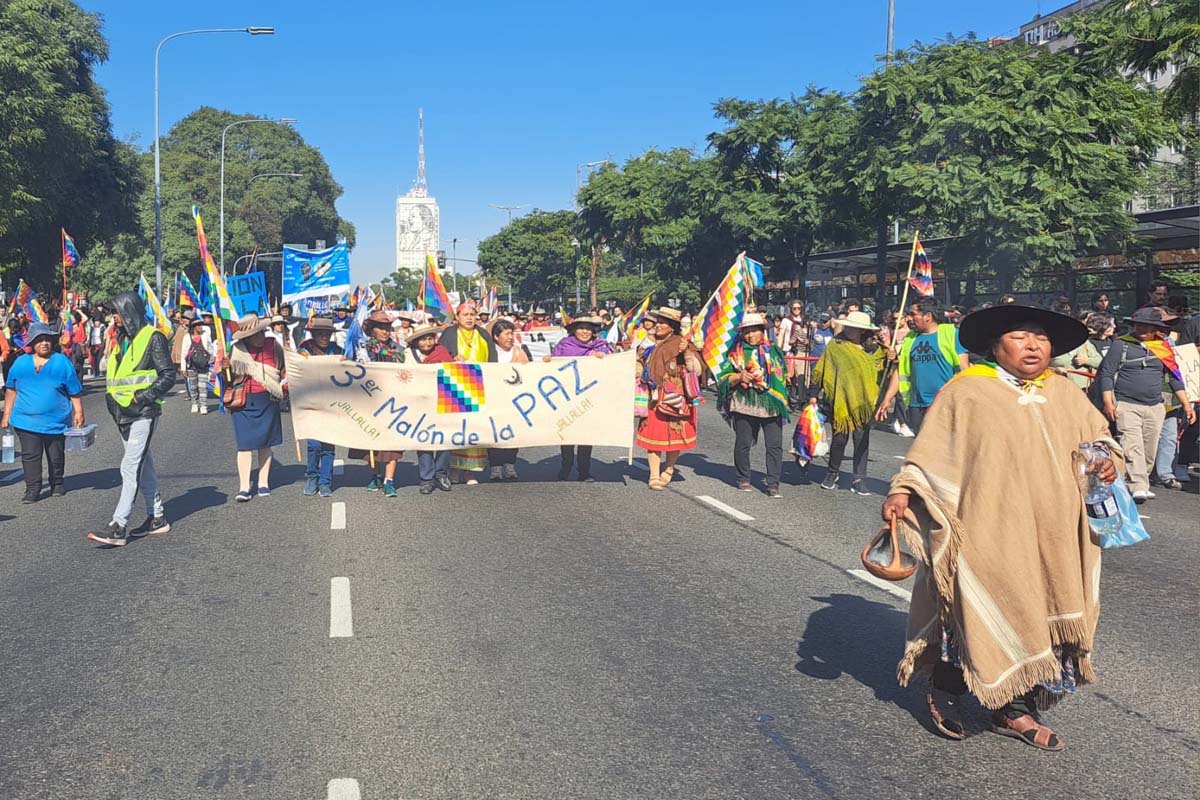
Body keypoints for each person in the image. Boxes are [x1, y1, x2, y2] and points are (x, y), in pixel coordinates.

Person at [883, 304, 1121, 752]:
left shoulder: (1065, 392)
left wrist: (1106, 461)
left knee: (1043, 604)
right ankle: (952, 685)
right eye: (1020, 337)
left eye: (1041, 339)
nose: (1033, 346)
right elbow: (931, 453)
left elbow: (1100, 440)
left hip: (1055, 532)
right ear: (995, 346)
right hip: (988, 524)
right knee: (979, 600)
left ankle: (1014, 706)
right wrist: (904, 489)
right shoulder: (968, 392)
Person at [86, 292, 175, 546]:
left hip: (143, 411)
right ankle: (157, 518)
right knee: (143, 465)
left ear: (129, 312)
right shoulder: (121, 339)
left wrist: (142, 397)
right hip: (122, 413)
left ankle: (118, 526)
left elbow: (167, 375)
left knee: (129, 466)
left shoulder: (153, 337)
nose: (113, 317)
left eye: (116, 312)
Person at [1096, 306, 1193, 502]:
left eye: (1147, 326)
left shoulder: (1163, 349)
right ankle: (1137, 484)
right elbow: (1106, 374)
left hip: (1155, 406)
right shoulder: (1120, 345)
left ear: (1155, 328)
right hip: (1126, 404)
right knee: (1132, 445)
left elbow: (1174, 378)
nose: (1141, 329)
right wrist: (1108, 402)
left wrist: (1187, 405)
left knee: (1149, 448)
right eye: (1138, 325)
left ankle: (1141, 480)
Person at [1, 322, 84, 503]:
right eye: (40, 340)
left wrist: (78, 412)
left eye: (47, 339)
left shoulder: (62, 362)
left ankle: (57, 482)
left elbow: (74, 390)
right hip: (25, 420)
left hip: (55, 420)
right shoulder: (21, 363)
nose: (44, 343)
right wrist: (6, 415)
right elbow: (11, 389)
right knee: (31, 456)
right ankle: (32, 489)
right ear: (32, 343)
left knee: (55, 455)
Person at [717, 312, 789, 497]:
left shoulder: (773, 350)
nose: (750, 335)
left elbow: (782, 374)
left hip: (771, 403)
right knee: (743, 442)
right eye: (746, 332)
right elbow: (724, 377)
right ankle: (743, 477)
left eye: (754, 331)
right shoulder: (735, 353)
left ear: (762, 331)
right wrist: (739, 377)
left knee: (774, 445)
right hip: (744, 401)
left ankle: (773, 483)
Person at [806, 311, 879, 494]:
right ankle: (832, 472)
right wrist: (813, 394)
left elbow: (883, 369)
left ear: (862, 331)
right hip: (840, 400)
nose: (849, 330)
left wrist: (891, 356)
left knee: (861, 440)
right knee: (839, 439)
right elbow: (823, 370)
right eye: (848, 326)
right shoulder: (836, 345)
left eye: (854, 328)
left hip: (863, 402)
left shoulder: (874, 350)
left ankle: (859, 478)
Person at [876, 297, 969, 434]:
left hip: (945, 404)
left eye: (913, 315)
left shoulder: (951, 334)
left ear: (928, 316)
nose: (909, 319)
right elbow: (901, 370)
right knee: (923, 449)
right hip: (917, 405)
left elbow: (964, 370)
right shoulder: (910, 338)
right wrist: (887, 398)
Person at [637, 308, 702, 490]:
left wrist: (686, 353)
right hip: (653, 396)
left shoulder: (682, 343)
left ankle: (669, 469)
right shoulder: (648, 342)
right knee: (653, 434)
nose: (658, 325)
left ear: (672, 327)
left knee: (674, 434)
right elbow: (639, 362)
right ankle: (654, 474)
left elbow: (695, 371)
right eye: (657, 321)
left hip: (676, 397)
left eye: (663, 322)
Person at [227, 314, 287, 503]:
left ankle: (263, 482)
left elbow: (285, 368)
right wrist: (222, 368)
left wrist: (285, 384)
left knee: (265, 443)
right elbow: (226, 379)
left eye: (262, 331)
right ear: (247, 337)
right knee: (244, 446)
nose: (262, 335)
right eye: (258, 333)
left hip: (267, 398)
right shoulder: (235, 350)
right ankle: (244, 487)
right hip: (243, 401)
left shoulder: (273, 345)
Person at [350, 310, 406, 497]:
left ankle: (389, 480)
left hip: (393, 401)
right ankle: (374, 474)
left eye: (387, 327)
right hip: (370, 401)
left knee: (393, 442)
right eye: (380, 328)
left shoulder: (398, 349)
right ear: (372, 330)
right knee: (371, 440)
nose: (384, 331)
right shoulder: (362, 349)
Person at [549, 316, 611, 481]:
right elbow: (553, 368)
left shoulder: (601, 346)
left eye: (588, 328)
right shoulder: (564, 345)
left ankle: (584, 470)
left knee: (586, 434)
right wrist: (548, 362)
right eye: (581, 328)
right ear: (573, 330)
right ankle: (566, 467)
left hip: (590, 397)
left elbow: (612, 367)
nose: (585, 331)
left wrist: (603, 359)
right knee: (567, 433)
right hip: (567, 396)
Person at [440, 300, 495, 484]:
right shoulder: (449, 333)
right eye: (465, 315)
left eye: (472, 315)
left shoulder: (483, 334)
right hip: (454, 386)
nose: (470, 319)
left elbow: (492, 360)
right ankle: (454, 469)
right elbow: (439, 356)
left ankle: (470, 471)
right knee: (456, 428)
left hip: (479, 386)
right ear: (457, 317)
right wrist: (452, 358)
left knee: (475, 428)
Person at [296, 317, 342, 497]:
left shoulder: (338, 351)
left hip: (332, 403)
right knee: (314, 445)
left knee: (328, 445)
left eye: (327, 333)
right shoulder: (304, 350)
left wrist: (346, 360)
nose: (323, 336)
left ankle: (325, 481)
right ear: (313, 334)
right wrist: (298, 359)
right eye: (320, 333)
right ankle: (312, 476)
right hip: (311, 403)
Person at [408, 324, 454, 495]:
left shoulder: (442, 352)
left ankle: (441, 473)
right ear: (416, 342)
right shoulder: (409, 356)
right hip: (419, 403)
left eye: (430, 338)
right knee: (424, 439)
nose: (427, 342)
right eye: (423, 339)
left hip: (442, 400)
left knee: (444, 438)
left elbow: (451, 372)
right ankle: (426, 478)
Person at [487, 318, 531, 480]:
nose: (510, 337)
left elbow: (529, 373)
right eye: (506, 334)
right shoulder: (489, 353)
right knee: (494, 433)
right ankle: (495, 467)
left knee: (514, 433)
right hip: (493, 400)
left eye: (512, 333)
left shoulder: (519, 352)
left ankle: (510, 464)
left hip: (514, 401)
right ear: (496, 337)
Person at [179, 317, 215, 414]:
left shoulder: (206, 335)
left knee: (203, 386)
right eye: (198, 325)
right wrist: (183, 368)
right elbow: (184, 353)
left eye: (201, 325)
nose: (201, 327)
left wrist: (213, 357)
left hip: (204, 364)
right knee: (193, 386)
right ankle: (194, 403)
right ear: (194, 327)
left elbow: (210, 347)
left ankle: (203, 405)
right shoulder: (187, 337)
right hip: (192, 365)